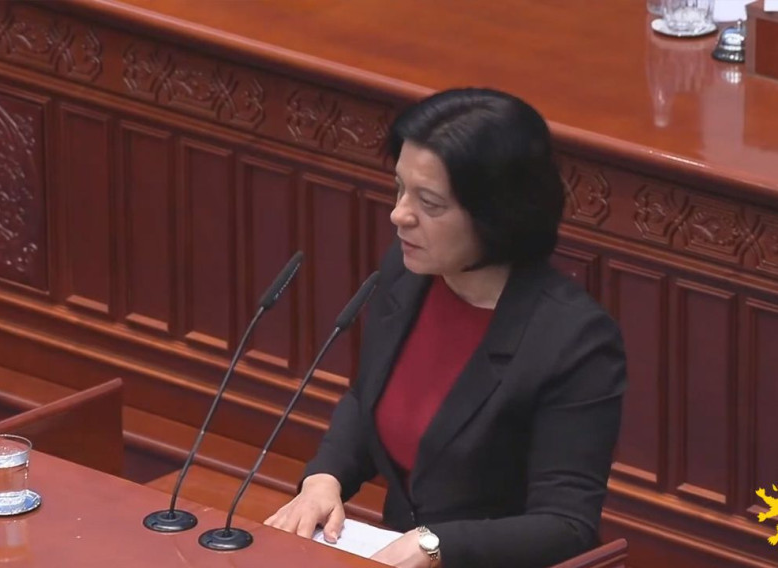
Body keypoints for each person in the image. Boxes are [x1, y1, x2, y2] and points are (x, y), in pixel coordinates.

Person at [265, 87, 627, 568]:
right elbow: (367, 396)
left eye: (430, 204)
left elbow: (566, 526)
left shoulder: (574, 341)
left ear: (498, 217)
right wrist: (324, 477)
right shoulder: (407, 273)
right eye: (399, 188)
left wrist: (435, 545)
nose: (399, 214)